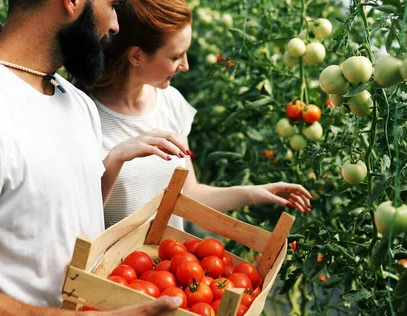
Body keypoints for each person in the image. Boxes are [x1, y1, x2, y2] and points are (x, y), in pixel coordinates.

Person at [0, 0, 186, 314]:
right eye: (112, 5)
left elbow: (75, 220)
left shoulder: (75, 101)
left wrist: (115, 161)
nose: (115, 24)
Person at [89, 0, 314, 230]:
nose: (185, 65)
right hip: (113, 265)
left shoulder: (171, 103)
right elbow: (80, 216)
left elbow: (188, 193)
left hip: (168, 262)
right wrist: (115, 158)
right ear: (136, 56)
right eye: (176, 56)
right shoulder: (87, 114)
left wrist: (252, 193)